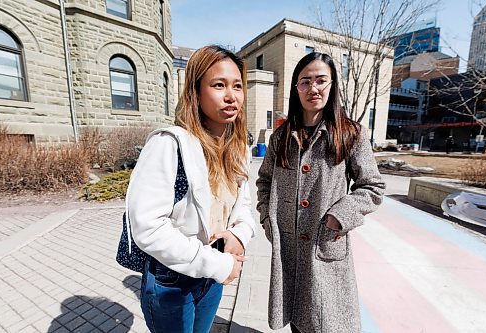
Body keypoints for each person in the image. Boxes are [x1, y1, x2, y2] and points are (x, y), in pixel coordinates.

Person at [126, 45, 256, 333]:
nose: (231, 95)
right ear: (196, 92)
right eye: (218, 85)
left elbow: (243, 207)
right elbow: (147, 227)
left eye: (237, 86)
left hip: (211, 277)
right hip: (171, 281)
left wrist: (239, 234)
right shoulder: (169, 144)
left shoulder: (237, 149)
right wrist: (219, 266)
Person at [256, 52, 385, 333]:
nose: (313, 88)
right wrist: (269, 220)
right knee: (298, 323)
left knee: (327, 322)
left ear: (332, 84)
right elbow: (264, 180)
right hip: (289, 249)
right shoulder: (280, 137)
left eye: (321, 80)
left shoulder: (351, 134)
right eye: (305, 82)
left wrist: (340, 215)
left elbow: (373, 187)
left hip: (325, 247)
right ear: (296, 88)